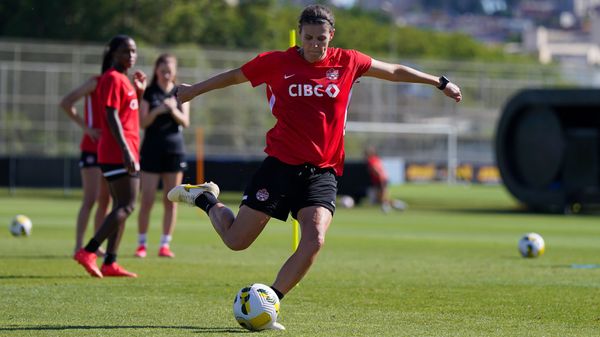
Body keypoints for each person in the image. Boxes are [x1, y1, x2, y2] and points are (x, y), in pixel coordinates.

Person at [168, 4, 461, 328]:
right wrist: (193, 91)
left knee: (315, 239)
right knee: (237, 241)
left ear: (331, 36)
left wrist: (439, 81)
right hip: (280, 165)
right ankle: (206, 198)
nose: (314, 45)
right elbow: (235, 76)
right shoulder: (276, 62)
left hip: (323, 171)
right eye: (308, 38)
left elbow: (392, 70)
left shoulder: (347, 61)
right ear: (300, 35)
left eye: (321, 38)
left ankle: (270, 304)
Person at [74, 35, 147, 278]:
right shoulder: (112, 78)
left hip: (124, 149)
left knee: (120, 205)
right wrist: (126, 151)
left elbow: (128, 114)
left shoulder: (124, 80)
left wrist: (139, 92)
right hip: (118, 152)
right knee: (128, 205)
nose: (131, 56)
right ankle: (89, 251)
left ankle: (111, 262)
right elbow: (111, 116)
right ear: (113, 54)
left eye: (134, 51)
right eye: (126, 51)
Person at [135, 54, 190, 258]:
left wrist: (173, 110)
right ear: (156, 69)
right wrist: (158, 110)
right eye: (163, 67)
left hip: (174, 150)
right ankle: (141, 244)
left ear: (175, 71)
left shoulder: (181, 92)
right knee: (147, 198)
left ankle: (165, 244)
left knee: (171, 199)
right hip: (151, 149)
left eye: (170, 68)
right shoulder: (149, 92)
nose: (166, 71)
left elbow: (185, 121)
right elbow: (142, 122)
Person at [60, 65, 112, 257]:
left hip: (110, 149)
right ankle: (78, 245)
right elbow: (66, 103)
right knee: (90, 198)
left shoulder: (121, 84)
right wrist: (87, 128)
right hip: (91, 148)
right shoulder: (95, 82)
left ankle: (96, 244)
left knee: (106, 200)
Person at [365, 146, 406, 213]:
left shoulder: (371, 160)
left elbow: (376, 170)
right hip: (382, 179)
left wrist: (380, 180)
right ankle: (398, 205)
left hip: (380, 180)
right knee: (381, 198)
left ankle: (394, 206)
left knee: (382, 198)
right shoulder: (376, 159)